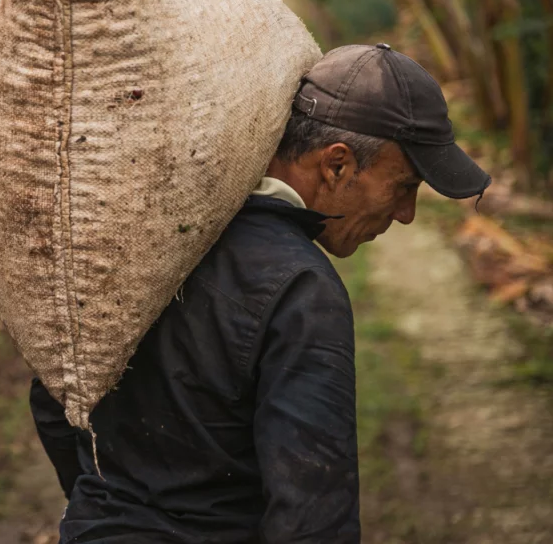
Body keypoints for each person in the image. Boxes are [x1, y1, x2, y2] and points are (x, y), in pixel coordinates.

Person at [28, 43, 492, 543]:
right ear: (336, 165)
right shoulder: (300, 288)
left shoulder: (136, 235)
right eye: (403, 186)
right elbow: (313, 514)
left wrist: (112, 507)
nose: (406, 214)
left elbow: (54, 400)